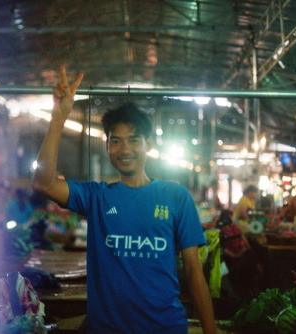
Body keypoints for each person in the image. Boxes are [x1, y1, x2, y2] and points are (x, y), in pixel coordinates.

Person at [32, 66, 217, 333]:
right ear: (107, 147)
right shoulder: (96, 197)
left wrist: (210, 330)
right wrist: (58, 118)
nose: (125, 149)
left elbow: (193, 270)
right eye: (116, 141)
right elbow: (43, 182)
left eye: (134, 140)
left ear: (149, 144)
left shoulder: (176, 196)